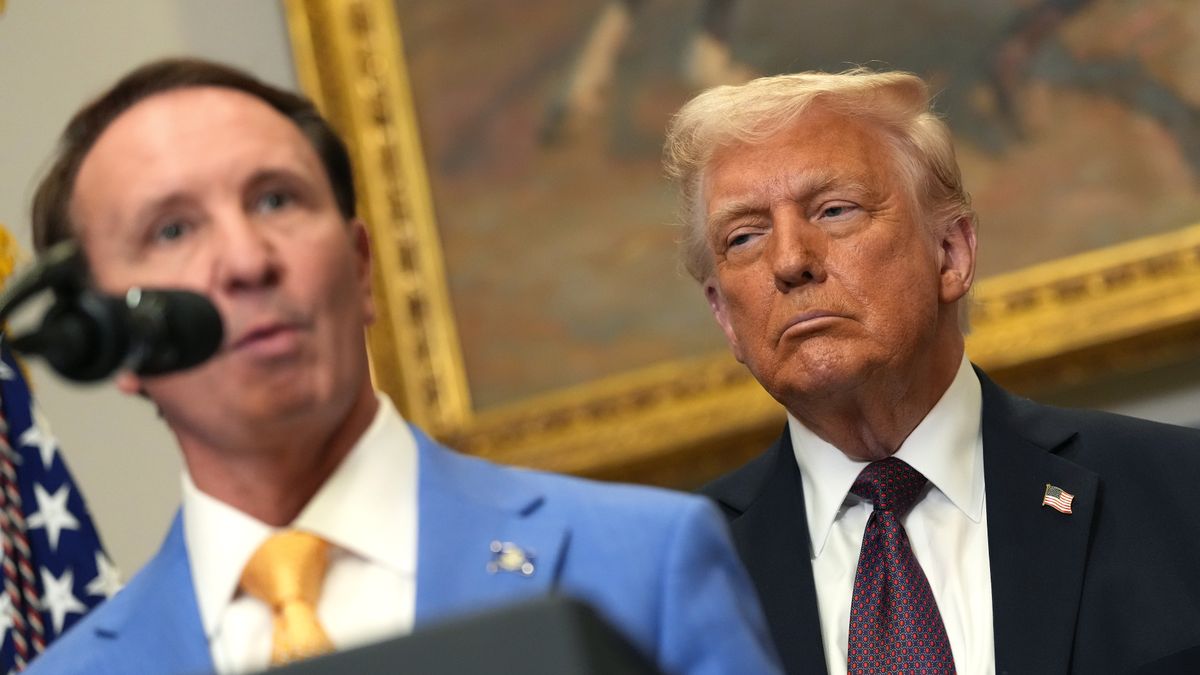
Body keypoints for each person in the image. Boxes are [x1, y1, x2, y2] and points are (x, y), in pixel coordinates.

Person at [23, 58, 780, 675]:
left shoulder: (644, 562)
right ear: (105, 338)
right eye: (174, 228)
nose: (247, 260)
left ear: (360, 269)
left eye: (276, 200)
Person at [663, 68, 1200, 674]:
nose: (789, 261)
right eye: (743, 237)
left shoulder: (1181, 490)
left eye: (835, 210)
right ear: (724, 315)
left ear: (951, 253)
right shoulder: (671, 578)